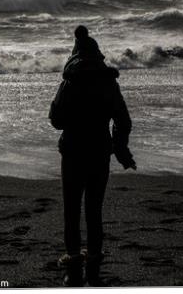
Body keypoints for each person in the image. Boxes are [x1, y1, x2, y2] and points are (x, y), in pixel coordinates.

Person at [53, 25, 135, 287]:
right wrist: (121, 149)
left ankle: (74, 257)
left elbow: (55, 119)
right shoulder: (109, 82)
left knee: (71, 208)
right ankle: (96, 255)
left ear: (75, 53)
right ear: (98, 54)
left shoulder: (70, 82)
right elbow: (123, 120)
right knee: (94, 209)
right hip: (100, 151)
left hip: (73, 151)